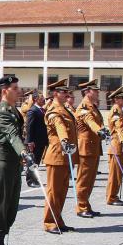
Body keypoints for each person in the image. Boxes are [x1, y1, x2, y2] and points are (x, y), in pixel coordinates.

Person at [0, 75, 34, 245]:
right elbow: (12, 135)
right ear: (5, 90)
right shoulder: (1, 113)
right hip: (2, 165)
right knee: (2, 206)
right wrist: (23, 152)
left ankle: (2, 242)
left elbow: (18, 135)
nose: (19, 91)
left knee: (11, 206)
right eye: (15, 88)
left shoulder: (13, 110)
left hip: (13, 166)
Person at [43, 79, 78, 235]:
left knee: (62, 191)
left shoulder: (65, 109)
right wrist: (64, 140)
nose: (67, 94)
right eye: (64, 92)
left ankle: (58, 219)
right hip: (57, 154)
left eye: (67, 92)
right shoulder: (54, 111)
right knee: (53, 191)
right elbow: (60, 127)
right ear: (56, 93)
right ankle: (49, 222)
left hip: (66, 155)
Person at [74, 79, 110, 217]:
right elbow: (90, 122)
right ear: (88, 92)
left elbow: (96, 123)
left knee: (90, 179)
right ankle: (81, 207)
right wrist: (100, 131)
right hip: (86, 148)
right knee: (84, 179)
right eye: (95, 91)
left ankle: (86, 204)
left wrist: (103, 130)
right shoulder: (83, 108)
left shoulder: (92, 107)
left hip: (93, 146)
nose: (97, 93)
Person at [105, 87, 123, 206]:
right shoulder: (116, 111)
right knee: (115, 174)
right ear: (116, 99)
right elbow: (119, 128)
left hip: (120, 145)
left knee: (118, 174)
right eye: (122, 98)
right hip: (117, 145)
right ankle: (111, 197)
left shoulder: (119, 110)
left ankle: (114, 195)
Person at [25, 91, 48, 173]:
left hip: (41, 141)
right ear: (35, 99)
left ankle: (35, 179)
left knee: (37, 161)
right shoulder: (33, 110)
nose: (44, 99)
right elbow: (29, 127)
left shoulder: (42, 110)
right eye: (41, 98)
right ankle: (31, 179)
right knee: (32, 162)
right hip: (35, 141)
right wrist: (30, 141)